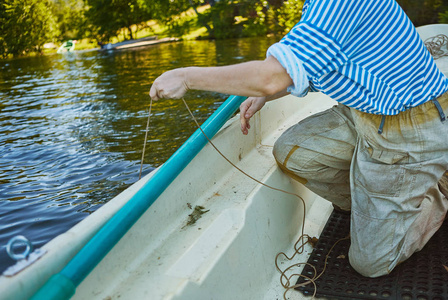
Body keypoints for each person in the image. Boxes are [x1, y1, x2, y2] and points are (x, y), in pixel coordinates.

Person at [149, 0, 448, 278]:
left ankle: (436, 191)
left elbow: (272, 75)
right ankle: (379, 203)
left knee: (370, 264)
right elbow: (316, 66)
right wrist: (268, 93)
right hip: (368, 115)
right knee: (292, 152)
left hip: (411, 130)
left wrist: (186, 77)